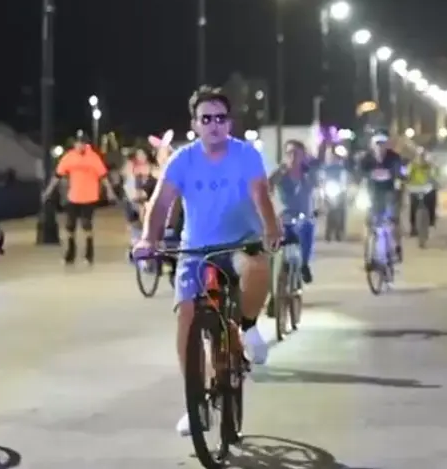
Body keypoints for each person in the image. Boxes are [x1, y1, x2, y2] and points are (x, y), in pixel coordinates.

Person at [131, 85, 281, 437]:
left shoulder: (245, 155)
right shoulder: (182, 160)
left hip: (240, 242)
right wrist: (148, 240)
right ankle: (194, 403)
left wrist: (271, 229)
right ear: (195, 124)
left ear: (229, 122)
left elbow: (261, 194)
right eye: (206, 118)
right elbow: (161, 203)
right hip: (196, 249)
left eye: (221, 118)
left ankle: (247, 326)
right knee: (186, 316)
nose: (214, 124)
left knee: (257, 268)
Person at [42, 134, 118, 265]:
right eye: (77, 143)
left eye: (82, 143)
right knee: (70, 226)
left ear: (86, 144)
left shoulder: (93, 157)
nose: (79, 146)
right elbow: (57, 176)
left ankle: (89, 254)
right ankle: (70, 254)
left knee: (86, 225)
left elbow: (103, 176)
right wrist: (48, 191)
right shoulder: (69, 157)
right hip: (74, 197)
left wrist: (110, 192)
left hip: (89, 197)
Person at [269, 140, 320, 283]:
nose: (292, 156)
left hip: (302, 218)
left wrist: (319, 207)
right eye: (289, 153)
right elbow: (267, 189)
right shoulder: (280, 174)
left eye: (296, 153)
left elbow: (319, 192)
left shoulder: (309, 174)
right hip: (283, 219)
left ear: (303, 156)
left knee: (308, 227)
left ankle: (304, 265)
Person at [358, 133, 405, 261]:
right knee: (369, 221)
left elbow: (400, 172)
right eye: (377, 144)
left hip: (390, 191)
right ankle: (368, 252)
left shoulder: (394, 157)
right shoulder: (366, 158)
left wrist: (399, 179)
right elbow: (359, 173)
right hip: (372, 192)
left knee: (393, 220)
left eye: (382, 144)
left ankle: (397, 246)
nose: (380, 147)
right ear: (372, 146)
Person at [405, 150, 438, 235]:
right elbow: (407, 176)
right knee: (413, 207)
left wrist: (435, 182)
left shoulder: (429, 166)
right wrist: (406, 182)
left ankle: (431, 220)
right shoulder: (412, 166)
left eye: (423, 156)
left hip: (427, 189)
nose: (421, 158)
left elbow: (434, 175)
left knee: (432, 199)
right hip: (414, 188)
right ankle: (413, 226)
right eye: (419, 156)